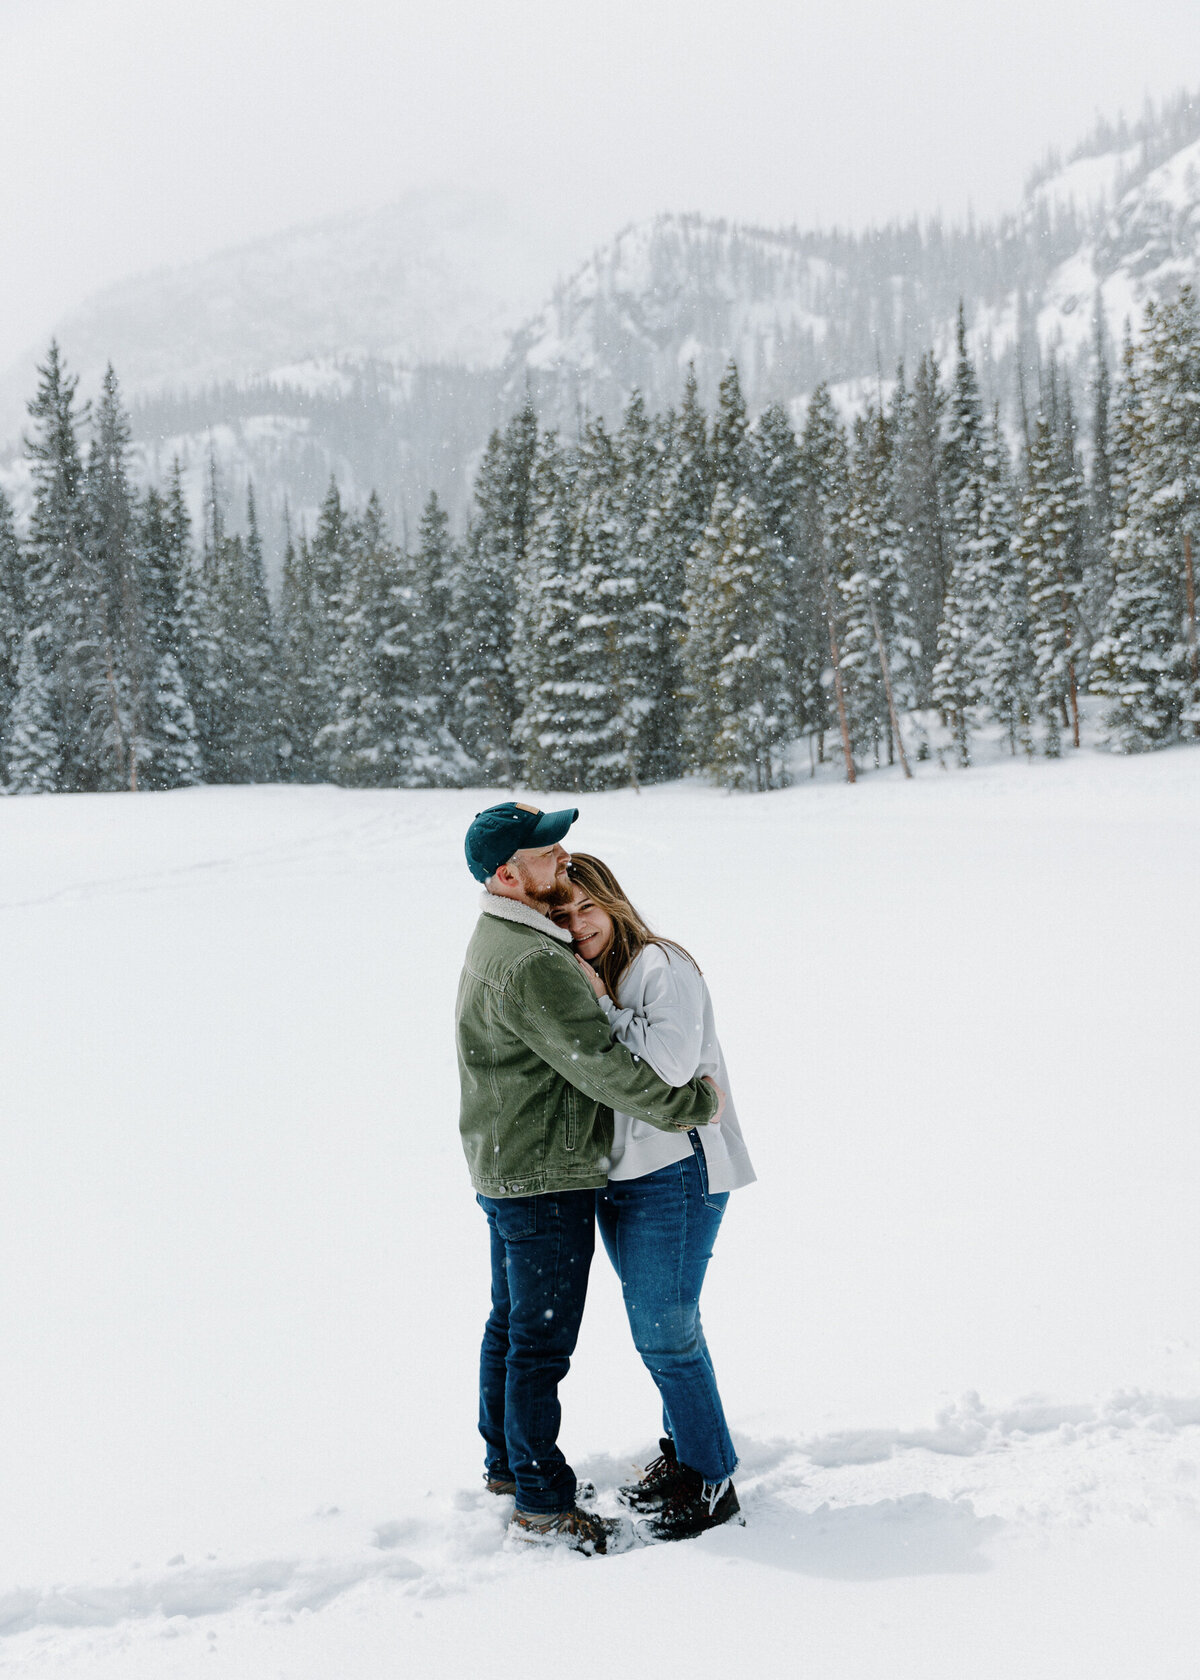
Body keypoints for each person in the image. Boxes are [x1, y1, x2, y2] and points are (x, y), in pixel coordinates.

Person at [456, 802, 725, 1556]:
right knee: (540, 1344)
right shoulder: (534, 960)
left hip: (509, 1163)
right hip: (543, 1173)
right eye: (546, 854)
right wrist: (694, 1103)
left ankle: (508, 1465)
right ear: (507, 874)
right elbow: (603, 1069)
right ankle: (541, 1497)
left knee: (511, 1325)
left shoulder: (507, 935)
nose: (562, 856)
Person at [551, 853, 755, 1541]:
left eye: (588, 909)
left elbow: (667, 1068)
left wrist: (600, 1003)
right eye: (563, 915)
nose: (579, 926)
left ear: (612, 902)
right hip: (623, 1176)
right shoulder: (596, 975)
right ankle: (689, 1454)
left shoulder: (660, 966)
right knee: (667, 1326)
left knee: (664, 1328)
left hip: (677, 1168)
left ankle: (713, 1477)